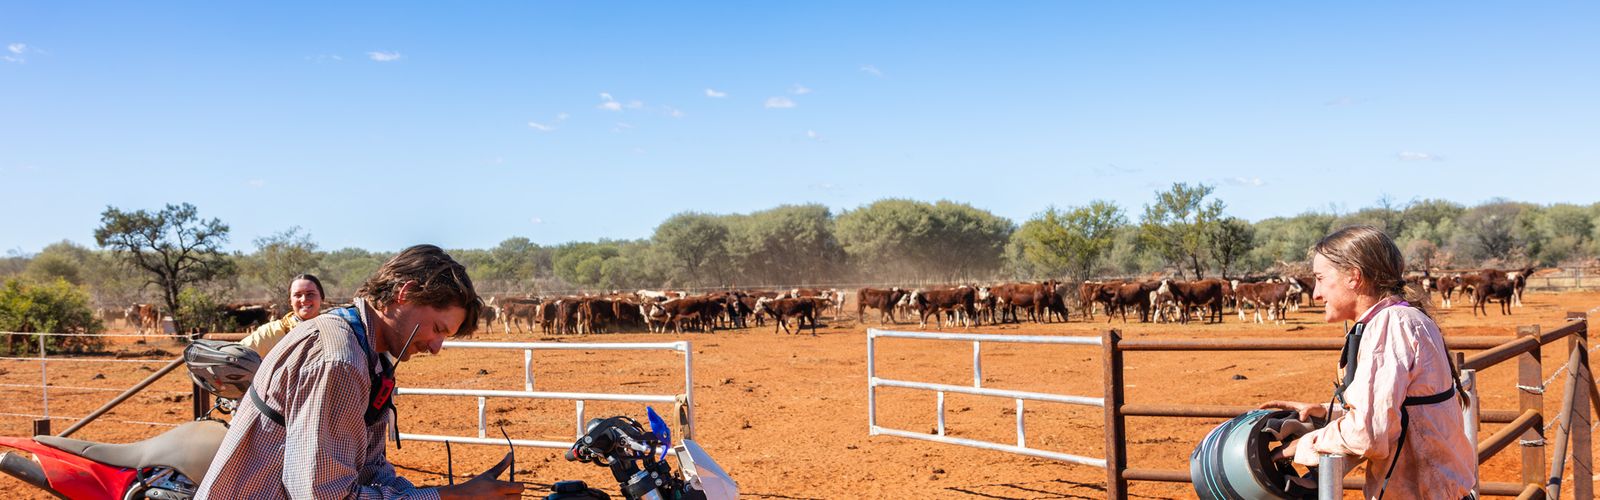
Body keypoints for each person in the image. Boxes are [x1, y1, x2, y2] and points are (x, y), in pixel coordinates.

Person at [198, 245, 523, 499]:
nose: (437, 347)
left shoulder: (370, 355)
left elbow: (369, 470)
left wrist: (450, 496)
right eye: (437, 328)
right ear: (405, 295)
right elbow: (323, 496)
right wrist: (451, 496)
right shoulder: (339, 361)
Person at [1260, 226, 1474, 499]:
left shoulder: (1389, 325)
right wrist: (1327, 412)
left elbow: (1369, 433)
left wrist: (1303, 446)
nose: (1315, 294)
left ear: (1354, 277)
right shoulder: (1404, 317)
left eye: (1321, 278)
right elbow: (1403, 409)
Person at [238, 273, 326, 357]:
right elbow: (236, 354)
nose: (304, 299)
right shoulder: (271, 333)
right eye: (297, 295)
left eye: (310, 294)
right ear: (290, 301)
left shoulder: (334, 329)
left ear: (321, 298)